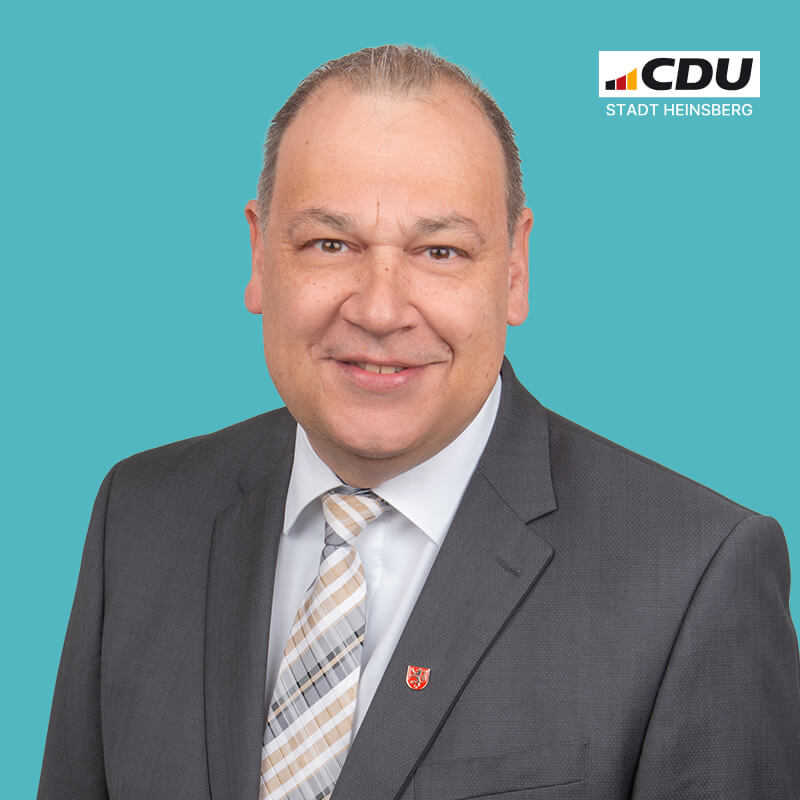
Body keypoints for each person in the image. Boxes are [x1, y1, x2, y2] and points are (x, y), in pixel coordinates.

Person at [38, 45, 800, 800]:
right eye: (330, 244)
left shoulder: (696, 576)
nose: (379, 309)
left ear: (514, 271)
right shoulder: (139, 514)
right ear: (261, 254)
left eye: (440, 251)